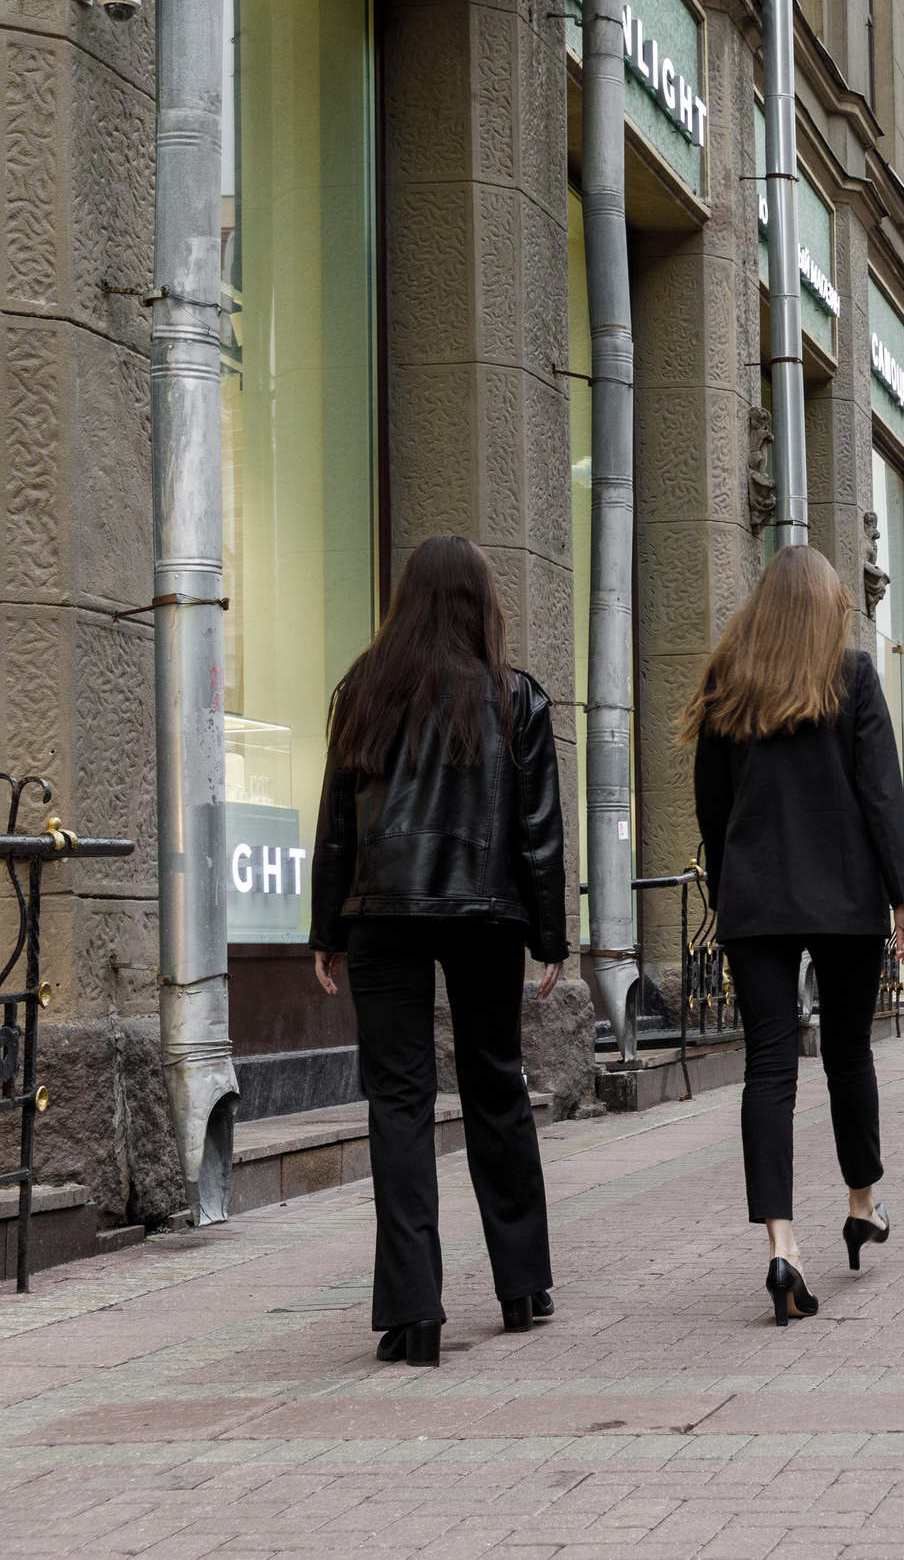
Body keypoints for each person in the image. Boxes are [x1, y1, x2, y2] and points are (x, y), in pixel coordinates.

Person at [308, 536, 567, 1369]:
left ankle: (415, 1312)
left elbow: (337, 822)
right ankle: (522, 1285)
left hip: (383, 911)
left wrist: (328, 928)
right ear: (480, 604)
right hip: (485, 912)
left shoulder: (364, 692)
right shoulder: (512, 698)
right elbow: (538, 831)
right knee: (496, 1085)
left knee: (399, 1101)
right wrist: (550, 934)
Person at [686, 546, 904, 1326]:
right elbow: (881, 791)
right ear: (827, 607)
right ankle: (861, 1201)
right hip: (846, 896)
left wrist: (727, 890)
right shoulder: (852, 675)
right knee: (849, 1052)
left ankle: (781, 1246)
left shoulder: (731, 679)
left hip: (756, 899)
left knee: (768, 1065)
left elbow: (711, 806)